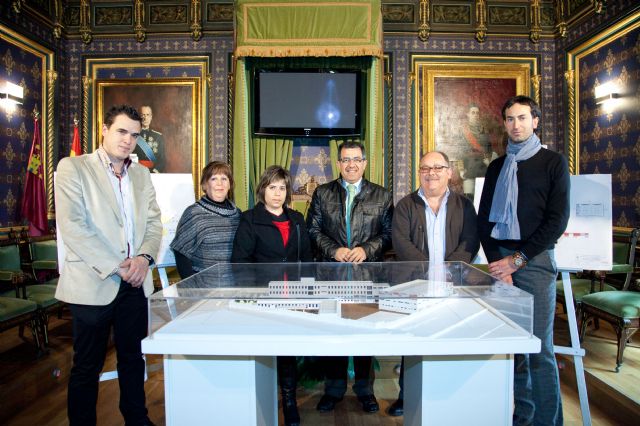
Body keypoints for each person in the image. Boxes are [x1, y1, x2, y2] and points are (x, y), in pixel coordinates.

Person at [55, 104, 162, 425]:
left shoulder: (141, 174)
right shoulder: (74, 168)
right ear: (104, 129)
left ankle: (137, 419)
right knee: (87, 366)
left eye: (135, 135)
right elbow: (73, 227)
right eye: (121, 131)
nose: (128, 140)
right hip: (94, 282)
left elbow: (154, 224)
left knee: (133, 359)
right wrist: (119, 266)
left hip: (135, 284)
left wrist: (144, 259)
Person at [477, 95, 569, 426]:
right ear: (504, 124)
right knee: (513, 350)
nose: (516, 125)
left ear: (535, 121)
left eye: (522, 118)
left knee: (539, 350)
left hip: (536, 262)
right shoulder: (496, 167)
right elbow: (484, 221)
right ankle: (523, 418)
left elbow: (557, 221)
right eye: (510, 119)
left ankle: (548, 421)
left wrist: (518, 260)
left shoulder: (553, 162)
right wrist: (499, 266)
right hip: (501, 266)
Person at [388, 150, 480, 416]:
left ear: (449, 172)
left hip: (453, 285)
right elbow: (401, 243)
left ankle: (447, 397)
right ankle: (406, 396)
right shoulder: (406, 205)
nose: (431, 173)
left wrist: (449, 271)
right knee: (413, 342)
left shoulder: (464, 205)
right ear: (419, 173)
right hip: (416, 285)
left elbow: (470, 240)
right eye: (425, 168)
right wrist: (429, 272)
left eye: (437, 167)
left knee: (450, 340)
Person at [306, 141, 393, 414]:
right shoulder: (322, 193)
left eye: (356, 159)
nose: (351, 165)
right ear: (338, 163)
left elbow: (389, 234)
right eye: (345, 160)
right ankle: (333, 390)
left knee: (365, 335)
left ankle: (365, 391)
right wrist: (334, 250)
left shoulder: (382, 195)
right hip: (331, 276)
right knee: (334, 335)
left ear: (365, 163)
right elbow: (313, 230)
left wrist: (366, 249)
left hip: (367, 276)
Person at [231, 165, 313, 426]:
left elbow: (307, 258)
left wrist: (308, 293)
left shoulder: (297, 219)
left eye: (282, 188)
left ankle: (289, 400)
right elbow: (240, 262)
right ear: (262, 190)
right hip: (263, 297)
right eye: (272, 187)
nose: (277, 193)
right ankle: (263, 399)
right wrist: (251, 296)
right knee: (266, 349)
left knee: (288, 350)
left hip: (293, 296)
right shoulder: (249, 219)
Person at [170, 161, 241, 279]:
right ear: (204, 185)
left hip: (235, 284)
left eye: (224, 179)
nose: (219, 183)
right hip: (205, 285)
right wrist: (191, 286)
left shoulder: (238, 214)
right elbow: (181, 253)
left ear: (230, 185)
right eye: (214, 179)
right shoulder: (194, 213)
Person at [133, 105, 165, 173]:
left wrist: (155, 171)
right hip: (137, 172)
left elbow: (162, 159)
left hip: (153, 173)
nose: (145, 118)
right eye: (143, 115)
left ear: (151, 117)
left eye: (148, 115)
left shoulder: (158, 136)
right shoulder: (133, 135)